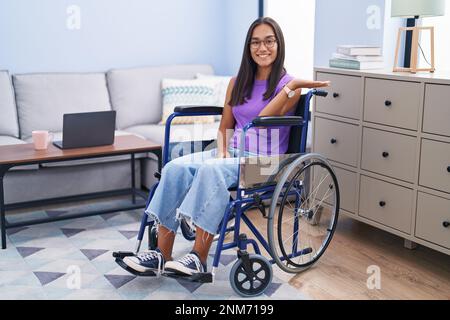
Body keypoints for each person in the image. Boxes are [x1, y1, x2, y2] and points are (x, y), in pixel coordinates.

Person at [123, 17, 330, 275]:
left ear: (279, 45)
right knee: (174, 167)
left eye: (269, 41)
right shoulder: (237, 82)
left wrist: (294, 86)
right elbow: (225, 127)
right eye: (255, 42)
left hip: (266, 164)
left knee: (212, 171)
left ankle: (198, 257)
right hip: (232, 153)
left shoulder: (287, 86)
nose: (262, 48)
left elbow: (261, 120)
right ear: (248, 47)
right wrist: (221, 151)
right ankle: (161, 255)